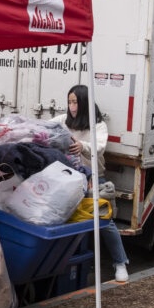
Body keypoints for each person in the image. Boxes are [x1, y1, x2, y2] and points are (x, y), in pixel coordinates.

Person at [51, 84, 130, 283]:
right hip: (67, 179)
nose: (71, 106)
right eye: (69, 102)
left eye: (75, 102)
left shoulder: (98, 125)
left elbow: (100, 147)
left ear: (84, 103)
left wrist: (83, 146)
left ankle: (120, 262)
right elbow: (45, 127)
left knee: (105, 222)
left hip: (94, 179)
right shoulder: (62, 120)